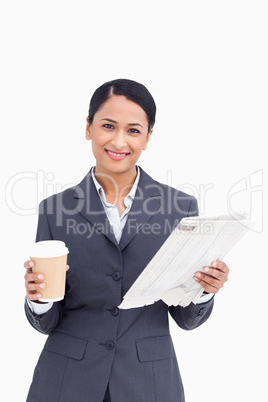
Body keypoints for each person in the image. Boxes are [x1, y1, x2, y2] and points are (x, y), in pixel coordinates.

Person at [24, 79, 229, 402]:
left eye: (133, 130)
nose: (119, 141)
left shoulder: (180, 207)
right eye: (108, 126)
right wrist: (38, 299)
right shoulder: (55, 210)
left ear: (148, 138)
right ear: (88, 127)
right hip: (66, 381)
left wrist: (204, 291)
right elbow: (47, 321)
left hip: (148, 382)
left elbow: (186, 319)